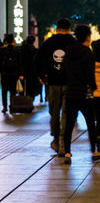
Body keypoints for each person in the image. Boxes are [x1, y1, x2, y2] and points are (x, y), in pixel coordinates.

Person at [63, 25, 100, 164]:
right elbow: (89, 75)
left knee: (69, 124)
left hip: (70, 92)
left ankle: (67, 153)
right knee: (90, 124)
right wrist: (94, 87)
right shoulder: (88, 53)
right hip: (85, 94)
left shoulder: (68, 51)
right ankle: (93, 151)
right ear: (88, 36)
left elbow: (64, 71)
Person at [35, 18, 75, 156]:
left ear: (57, 28)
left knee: (54, 112)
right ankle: (64, 142)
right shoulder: (73, 42)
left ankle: (56, 140)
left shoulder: (48, 43)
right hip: (69, 83)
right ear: (69, 29)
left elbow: (37, 59)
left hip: (52, 82)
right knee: (66, 113)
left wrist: (42, 76)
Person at [0, 34, 23, 114]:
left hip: (4, 74)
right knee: (13, 91)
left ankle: (5, 107)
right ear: (13, 41)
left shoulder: (2, 50)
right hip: (14, 74)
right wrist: (20, 74)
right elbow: (20, 63)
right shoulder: (17, 50)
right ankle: (12, 107)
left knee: (4, 91)